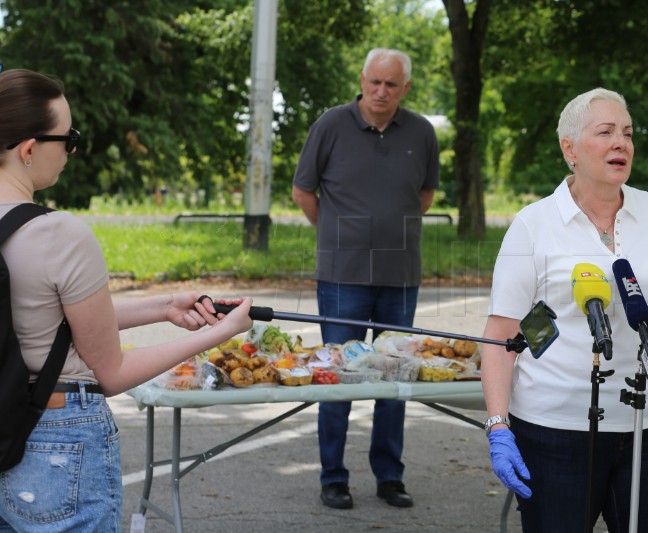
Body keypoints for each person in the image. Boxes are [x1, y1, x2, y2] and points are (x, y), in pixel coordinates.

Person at [0, 68, 254, 532]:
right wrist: (221, 333)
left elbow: (42, 321)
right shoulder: (59, 233)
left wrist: (164, 306)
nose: (73, 149)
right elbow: (113, 374)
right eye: (68, 137)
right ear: (29, 149)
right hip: (56, 440)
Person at [480, 88, 648, 532]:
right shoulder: (532, 225)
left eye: (627, 133)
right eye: (605, 132)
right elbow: (502, 335)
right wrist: (498, 425)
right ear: (570, 149)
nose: (621, 143)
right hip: (555, 432)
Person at [292, 48, 439, 510]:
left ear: (406, 88)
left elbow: (426, 193)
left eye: (391, 85)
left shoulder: (422, 132)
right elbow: (303, 190)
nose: (381, 91)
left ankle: (389, 477)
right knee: (339, 378)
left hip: (400, 277)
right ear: (362, 79)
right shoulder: (330, 126)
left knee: (394, 380)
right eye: (374, 82)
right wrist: (338, 233)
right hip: (342, 277)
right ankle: (333, 477)